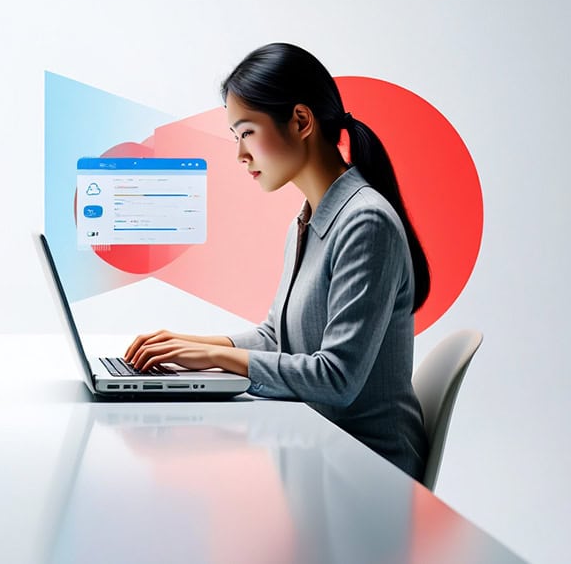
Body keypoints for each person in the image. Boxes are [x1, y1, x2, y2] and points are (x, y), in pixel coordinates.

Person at [125, 42, 430, 480]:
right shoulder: (306, 221)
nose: (240, 154)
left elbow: (337, 378)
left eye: (247, 132)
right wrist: (197, 347)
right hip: (318, 454)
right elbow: (278, 336)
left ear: (301, 121)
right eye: (236, 137)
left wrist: (221, 360)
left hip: (367, 475)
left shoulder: (366, 223)